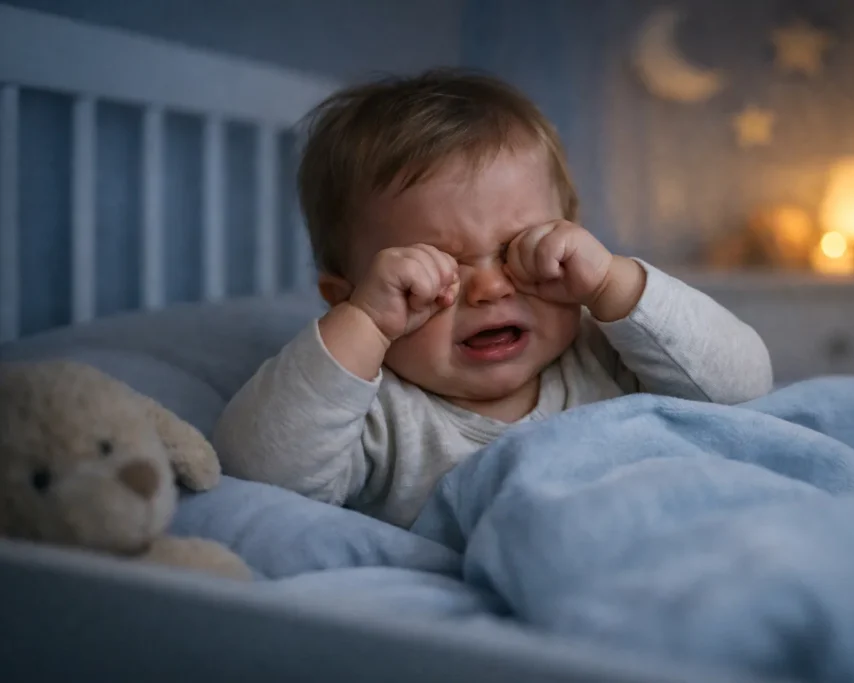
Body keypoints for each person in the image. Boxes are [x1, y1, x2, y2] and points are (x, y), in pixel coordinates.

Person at [213, 69, 773, 529]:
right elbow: (258, 478)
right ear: (345, 298)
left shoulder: (604, 349)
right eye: (435, 267)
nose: (490, 286)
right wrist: (362, 325)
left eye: (518, 248)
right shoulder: (378, 417)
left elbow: (743, 387)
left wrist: (613, 284)